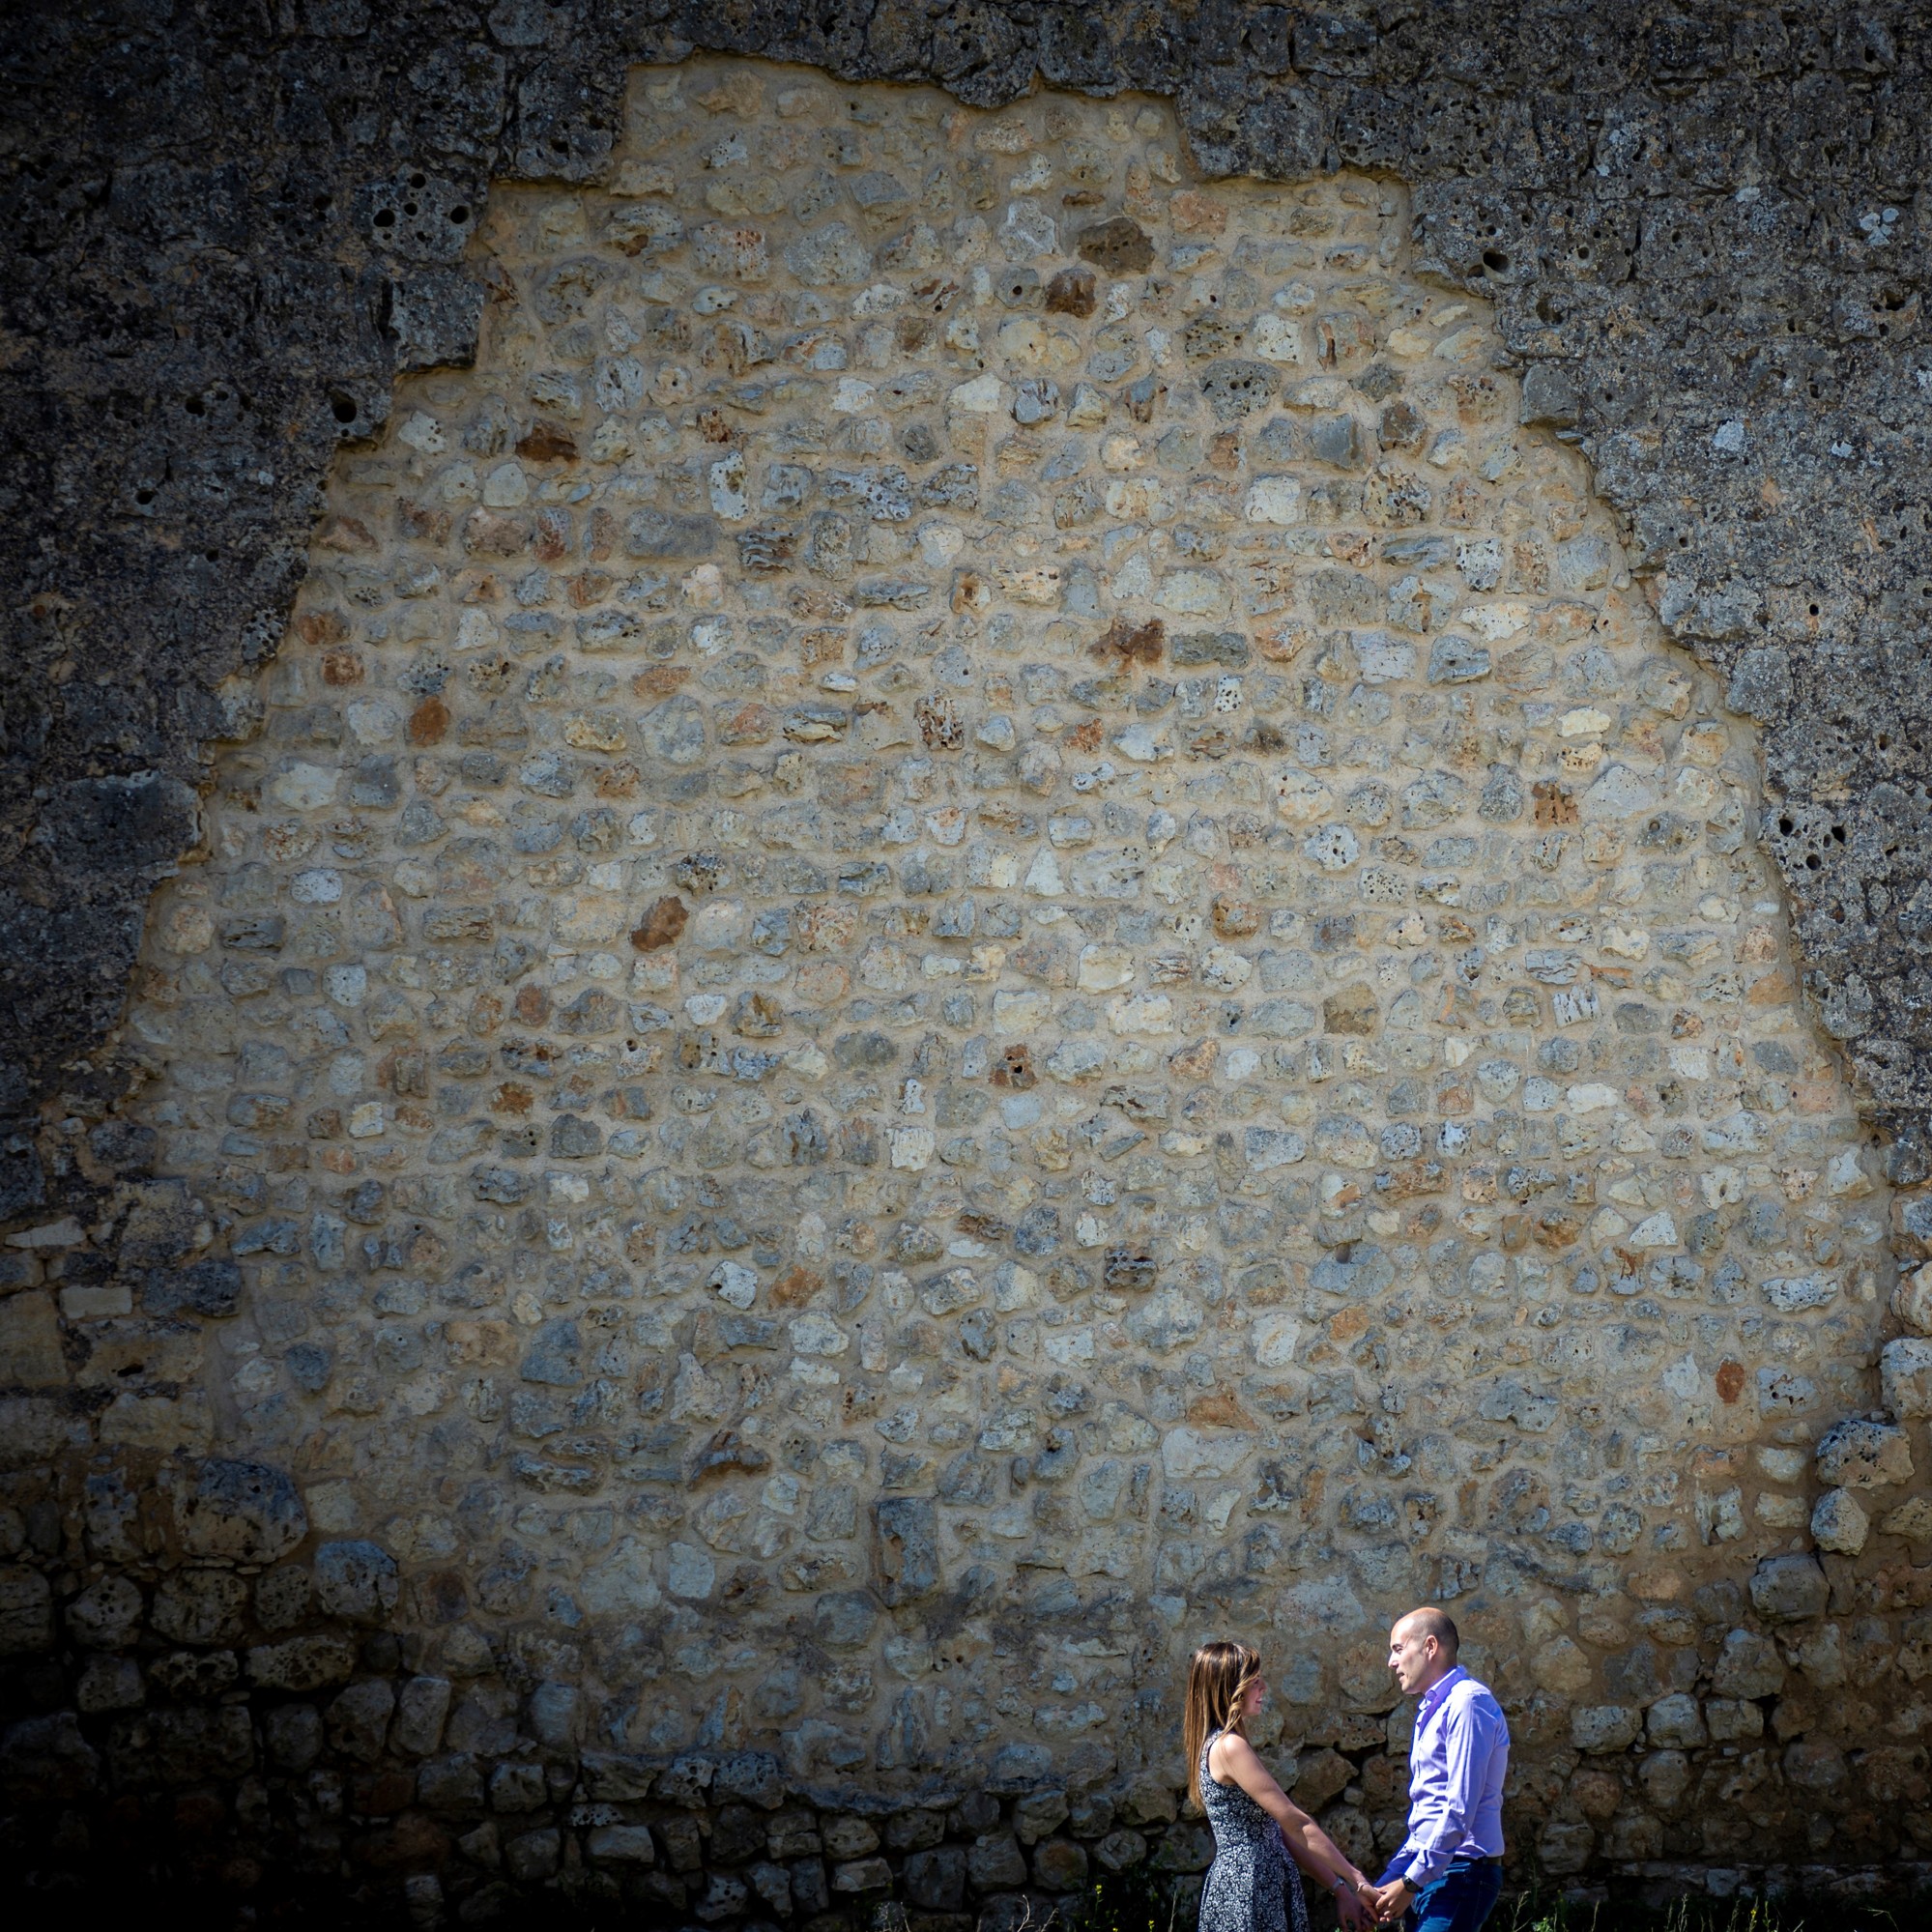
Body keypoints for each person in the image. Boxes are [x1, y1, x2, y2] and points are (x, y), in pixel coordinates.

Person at [1184, 1639, 1380, 1932]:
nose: (1263, 1687)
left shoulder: (1224, 1743)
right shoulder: (1229, 1747)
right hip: (1250, 1888)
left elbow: (1280, 1832)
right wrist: (1357, 1880)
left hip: (1256, 1885)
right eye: (1254, 1681)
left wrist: (1339, 1888)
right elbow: (1295, 1823)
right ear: (1229, 1688)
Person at [1368, 1607, 1510, 1932]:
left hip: (1462, 1873)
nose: (1391, 1662)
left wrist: (1410, 1882)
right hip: (1431, 1872)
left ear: (1430, 1647)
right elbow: (1427, 1816)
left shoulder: (1467, 1703)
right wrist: (1390, 1883)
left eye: (1399, 1650)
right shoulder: (1433, 1707)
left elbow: (1459, 1810)